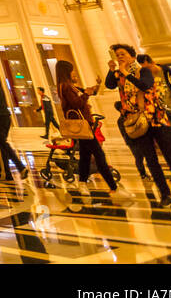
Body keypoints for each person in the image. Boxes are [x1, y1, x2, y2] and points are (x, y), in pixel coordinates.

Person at [105, 43, 171, 210]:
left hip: (157, 119)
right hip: (138, 123)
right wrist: (112, 70)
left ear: (132, 56)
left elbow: (145, 86)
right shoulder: (119, 75)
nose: (120, 57)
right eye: (117, 55)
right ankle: (166, 196)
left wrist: (126, 73)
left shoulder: (144, 71)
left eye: (123, 54)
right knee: (151, 161)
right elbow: (109, 85)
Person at [55, 60, 131, 201]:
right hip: (82, 125)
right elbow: (77, 103)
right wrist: (87, 94)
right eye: (72, 71)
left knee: (85, 157)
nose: (74, 73)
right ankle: (113, 187)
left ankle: (82, 184)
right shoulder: (65, 86)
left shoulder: (70, 86)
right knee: (99, 157)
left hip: (85, 126)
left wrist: (96, 86)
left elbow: (86, 92)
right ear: (66, 72)